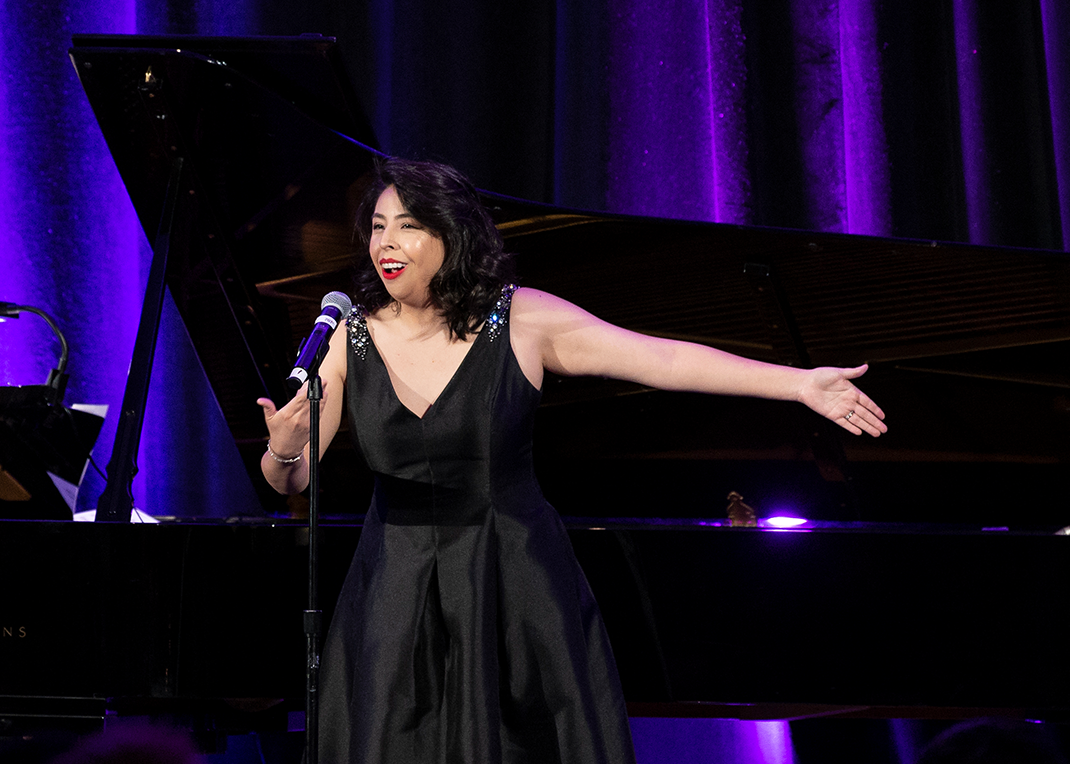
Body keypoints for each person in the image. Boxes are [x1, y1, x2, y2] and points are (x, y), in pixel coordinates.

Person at [257, 157, 887, 763]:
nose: (385, 243)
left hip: (515, 581)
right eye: (377, 226)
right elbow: (294, 476)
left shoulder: (522, 319)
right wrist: (283, 449)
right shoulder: (346, 336)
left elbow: (662, 360)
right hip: (393, 589)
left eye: (409, 226)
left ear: (453, 235)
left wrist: (798, 384)